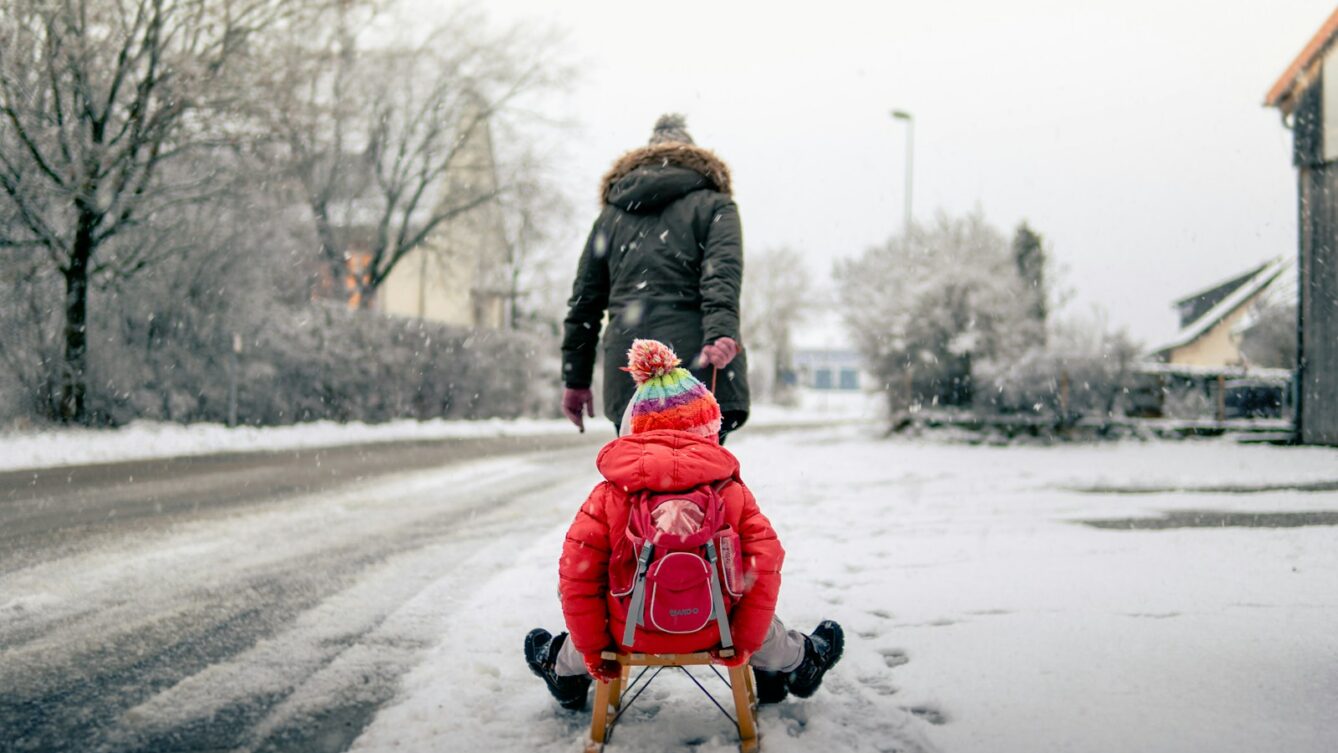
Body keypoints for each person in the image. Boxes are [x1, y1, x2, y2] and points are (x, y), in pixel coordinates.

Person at [526, 340, 842, 710]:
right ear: (709, 429)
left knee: (584, 587)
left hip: (626, 635)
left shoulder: (609, 496)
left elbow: (576, 577)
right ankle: (798, 661)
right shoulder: (732, 494)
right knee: (752, 601)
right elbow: (765, 565)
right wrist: (742, 641)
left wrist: (595, 651)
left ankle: (564, 669)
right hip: (715, 632)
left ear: (635, 428)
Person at [561, 114, 750, 443]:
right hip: (696, 365)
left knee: (637, 478)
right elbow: (722, 278)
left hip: (630, 367)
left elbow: (585, 303)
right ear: (693, 157)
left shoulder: (611, 216)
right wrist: (721, 333)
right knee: (699, 479)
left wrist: (576, 379)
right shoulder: (716, 206)